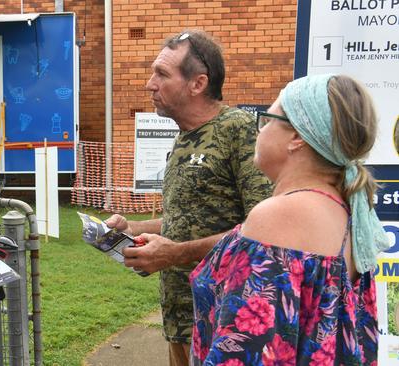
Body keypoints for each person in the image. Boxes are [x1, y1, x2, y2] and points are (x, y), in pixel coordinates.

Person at [189, 74, 387, 365]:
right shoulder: (346, 211)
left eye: (268, 119)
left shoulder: (281, 216)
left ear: (296, 137)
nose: (261, 130)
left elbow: (243, 353)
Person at [106, 30, 272, 366]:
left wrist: (175, 253)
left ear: (197, 84)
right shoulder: (184, 137)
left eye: (162, 74)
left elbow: (262, 232)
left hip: (226, 319)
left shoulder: (237, 130)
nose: (149, 84)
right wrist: (132, 226)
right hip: (180, 319)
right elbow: (187, 220)